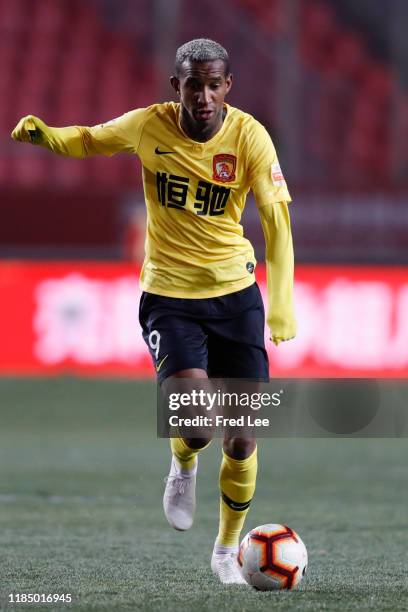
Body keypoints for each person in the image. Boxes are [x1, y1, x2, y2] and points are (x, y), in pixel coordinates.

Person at [11, 38, 296, 585]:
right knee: (195, 423)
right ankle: (183, 463)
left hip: (236, 297)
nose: (205, 96)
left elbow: (278, 220)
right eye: (194, 85)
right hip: (169, 297)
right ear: (178, 87)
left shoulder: (250, 138)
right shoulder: (150, 126)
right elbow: (92, 140)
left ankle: (225, 551)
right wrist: (48, 136)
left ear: (228, 87)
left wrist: (280, 300)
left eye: (215, 85)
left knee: (242, 438)